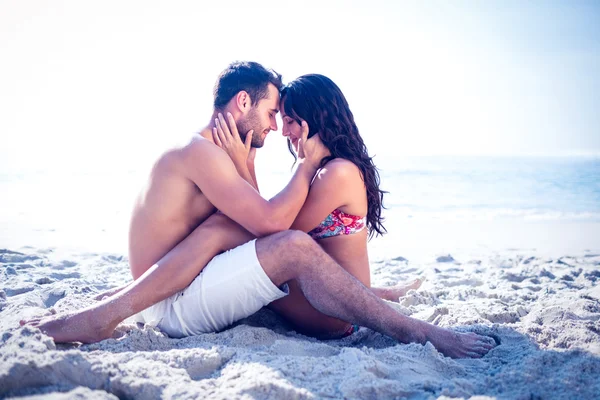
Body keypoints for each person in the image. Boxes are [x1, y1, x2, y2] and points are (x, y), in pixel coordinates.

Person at [22, 62, 496, 358]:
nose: (276, 129)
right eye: (274, 114)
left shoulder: (320, 170)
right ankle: (105, 313)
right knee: (249, 234)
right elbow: (271, 228)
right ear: (243, 101)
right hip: (179, 303)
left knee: (230, 229)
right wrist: (268, 166)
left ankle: (106, 312)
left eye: (287, 119)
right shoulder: (207, 154)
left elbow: (265, 226)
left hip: (209, 298)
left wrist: (253, 166)